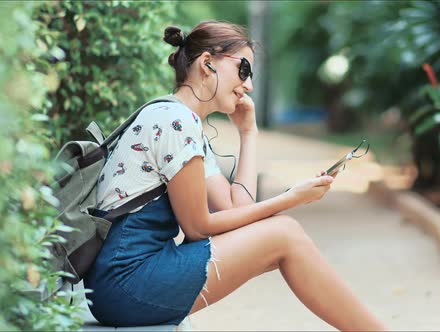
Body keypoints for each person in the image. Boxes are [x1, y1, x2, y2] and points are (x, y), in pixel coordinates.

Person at [84, 20, 387, 331]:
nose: (249, 85)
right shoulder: (176, 122)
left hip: (122, 282)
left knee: (284, 236)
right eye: (244, 70)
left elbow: (236, 212)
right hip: (125, 283)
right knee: (285, 232)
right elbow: (199, 227)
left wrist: (248, 133)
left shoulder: (183, 124)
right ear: (207, 64)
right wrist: (289, 199)